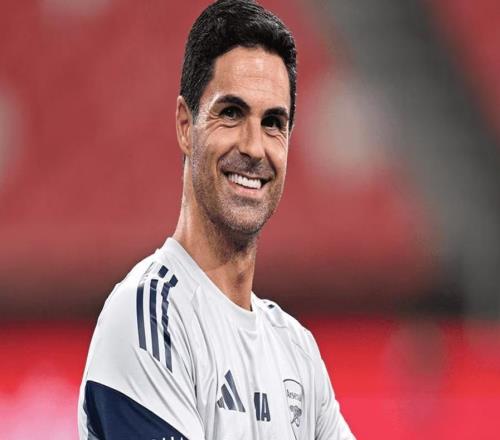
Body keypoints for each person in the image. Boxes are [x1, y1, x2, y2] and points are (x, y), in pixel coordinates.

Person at [78, 0, 355, 439]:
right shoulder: (149, 317)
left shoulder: (297, 351)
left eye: (273, 122)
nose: (254, 147)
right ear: (185, 126)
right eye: (231, 113)